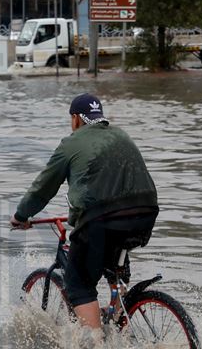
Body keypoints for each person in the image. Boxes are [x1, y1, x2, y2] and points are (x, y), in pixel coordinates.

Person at [10, 94, 159, 329]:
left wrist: (21, 216)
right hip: (145, 214)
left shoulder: (72, 143)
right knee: (115, 266)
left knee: (78, 285)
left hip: (102, 219)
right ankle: (120, 318)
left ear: (76, 119)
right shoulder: (121, 134)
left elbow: (43, 188)